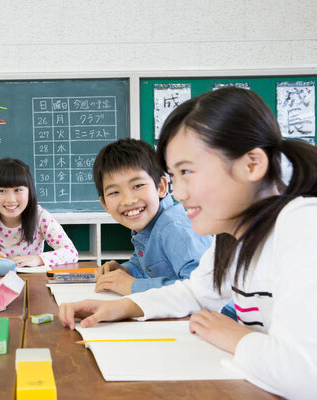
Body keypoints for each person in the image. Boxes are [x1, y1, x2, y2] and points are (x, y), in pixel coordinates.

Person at [59, 87, 317, 399]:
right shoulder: (232, 233)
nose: (178, 193)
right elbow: (196, 291)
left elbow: (304, 375)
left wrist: (235, 336)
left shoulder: (304, 227)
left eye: (187, 172)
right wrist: (121, 307)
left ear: (251, 165)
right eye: (174, 175)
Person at [92, 139, 212, 295]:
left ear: (161, 187)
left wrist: (133, 286)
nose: (128, 200)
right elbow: (147, 265)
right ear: (105, 204)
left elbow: (203, 288)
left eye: (138, 186)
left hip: (220, 317)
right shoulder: (147, 226)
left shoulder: (175, 227)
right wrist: (126, 271)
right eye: (114, 192)